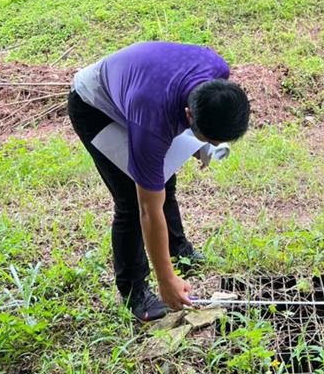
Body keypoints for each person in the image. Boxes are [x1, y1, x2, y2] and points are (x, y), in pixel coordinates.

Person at [67, 41, 250, 321]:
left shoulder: (217, 70)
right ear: (189, 115)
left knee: (163, 179)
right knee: (130, 199)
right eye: (208, 139)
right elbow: (148, 211)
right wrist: (167, 280)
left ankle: (179, 249)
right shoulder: (152, 123)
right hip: (94, 105)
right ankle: (135, 292)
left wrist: (202, 144)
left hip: (139, 87)